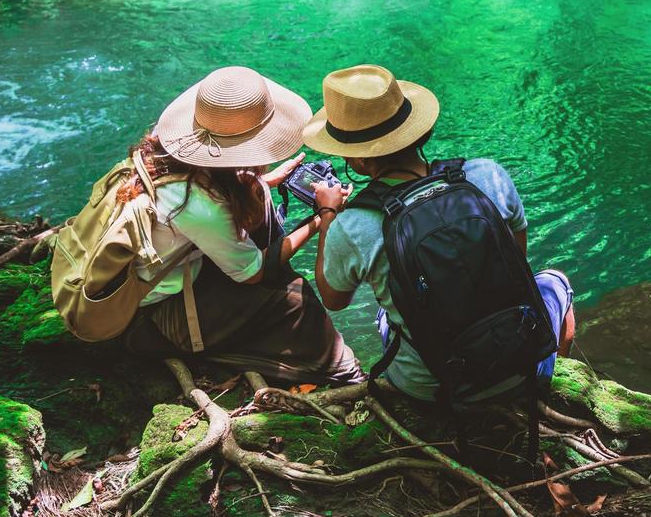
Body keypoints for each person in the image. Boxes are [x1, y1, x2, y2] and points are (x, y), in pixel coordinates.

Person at [301, 64, 574, 402]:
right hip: (519, 362)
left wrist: (328, 213)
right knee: (555, 281)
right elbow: (517, 261)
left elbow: (334, 299)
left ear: (357, 161)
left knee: (386, 315)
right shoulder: (487, 175)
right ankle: (541, 381)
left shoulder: (354, 224)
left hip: (434, 388)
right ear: (417, 132)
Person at [118, 65, 362, 386]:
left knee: (259, 212)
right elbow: (253, 274)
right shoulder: (197, 203)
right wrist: (321, 216)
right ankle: (346, 376)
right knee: (296, 299)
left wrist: (264, 183)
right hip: (162, 317)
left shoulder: (164, 156)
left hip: (153, 284)